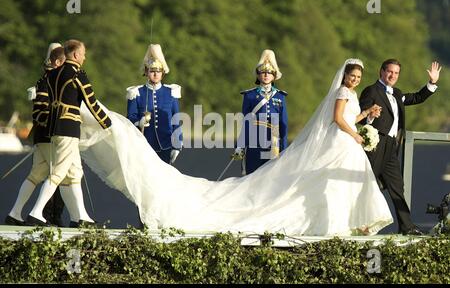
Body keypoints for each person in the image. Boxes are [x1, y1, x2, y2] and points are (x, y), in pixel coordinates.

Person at [78, 58, 393, 236]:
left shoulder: (301, 96)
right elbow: (338, 119)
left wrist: (365, 116)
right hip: (299, 144)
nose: (353, 80)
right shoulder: (258, 95)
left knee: (326, 185)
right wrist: (356, 134)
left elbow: (299, 122)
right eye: (351, 76)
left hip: (304, 145)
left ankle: (348, 222)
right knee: (270, 186)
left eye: (356, 77)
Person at [25, 39, 112, 227]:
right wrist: (107, 123)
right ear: (75, 54)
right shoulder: (77, 74)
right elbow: (91, 103)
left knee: (74, 173)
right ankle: (36, 212)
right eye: (83, 53)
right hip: (69, 128)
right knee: (58, 172)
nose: (85, 57)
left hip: (54, 128)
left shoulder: (53, 74)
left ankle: (79, 217)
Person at [359, 59, 442, 235]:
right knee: (365, 185)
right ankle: (357, 223)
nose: (393, 75)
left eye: (396, 73)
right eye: (389, 71)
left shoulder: (397, 93)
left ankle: (407, 227)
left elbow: (417, 97)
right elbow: (362, 113)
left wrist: (432, 83)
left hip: (391, 147)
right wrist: (371, 116)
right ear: (381, 72)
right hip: (375, 145)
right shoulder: (371, 90)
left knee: (397, 186)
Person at [5, 43, 67, 226]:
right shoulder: (51, 82)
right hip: (50, 135)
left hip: (44, 136)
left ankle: (16, 213)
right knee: (59, 174)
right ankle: (39, 213)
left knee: (37, 175)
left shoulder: (45, 81)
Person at [126, 44, 183, 165]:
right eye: (152, 71)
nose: (156, 74)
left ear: (163, 73)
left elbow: (176, 121)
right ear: (146, 72)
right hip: (143, 147)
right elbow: (130, 118)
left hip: (166, 147)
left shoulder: (171, 93)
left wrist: (177, 146)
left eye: (159, 71)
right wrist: (139, 122)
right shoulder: (136, 93)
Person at [235, 49, 288, 175]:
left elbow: (283, 124)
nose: (266, 75)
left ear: (274, 75)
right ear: (258, 75)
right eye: (262, 72)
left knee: (271, 177)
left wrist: (284, 149)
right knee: (251, 175)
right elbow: (246, 123)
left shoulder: (280, 97)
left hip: (274, 141)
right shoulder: (250, 95)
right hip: (254, 140)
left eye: (269, 72)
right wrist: (240, 145)